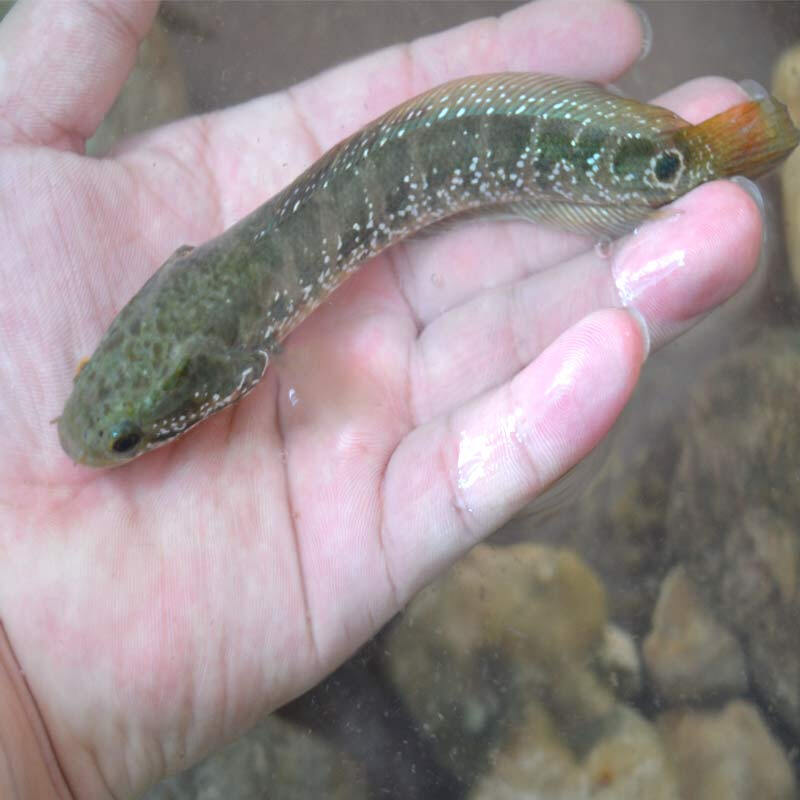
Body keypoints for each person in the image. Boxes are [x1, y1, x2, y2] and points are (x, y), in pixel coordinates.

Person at [0, 0, 764, 796]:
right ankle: (694, 156)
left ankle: (692, 159)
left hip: (543, 153)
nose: (115, 445)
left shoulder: (237, 348)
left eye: (129, 437)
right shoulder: (230, 335)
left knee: (661, 180)